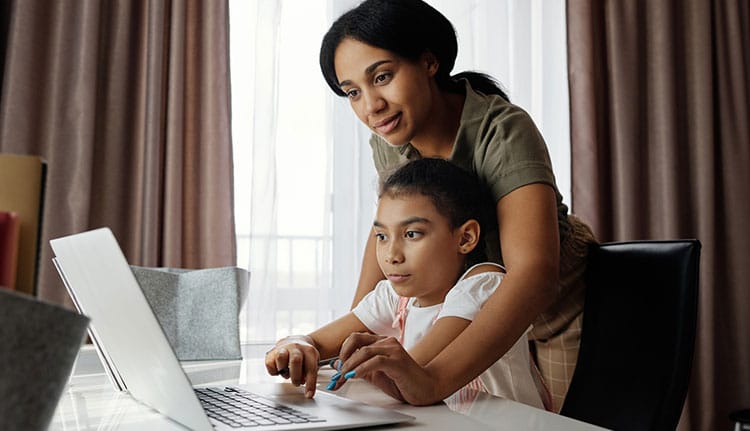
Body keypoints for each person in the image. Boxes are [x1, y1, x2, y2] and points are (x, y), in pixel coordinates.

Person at [317, 0, 596, 411]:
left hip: (554, 312)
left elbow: (534, 274)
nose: (370, 105)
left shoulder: (502, 130)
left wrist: (433, 380)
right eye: (353, 92)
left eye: (383, 77)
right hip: (467, 309)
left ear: (429, 62)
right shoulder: (389, 138)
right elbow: (387, 229)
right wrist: (351, 341)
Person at [265, 158, 546, 409]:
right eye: (382, 236)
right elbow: (317, 341)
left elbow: (412, 374)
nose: (391, 255)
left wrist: (351, 360)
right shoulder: (395, 297)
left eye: (412, 234)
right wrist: (295, 346)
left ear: (465, 238)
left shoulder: (483, 285)